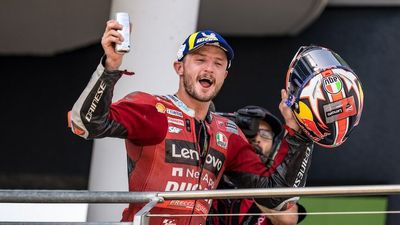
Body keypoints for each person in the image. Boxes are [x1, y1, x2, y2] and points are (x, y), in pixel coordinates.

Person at [68, 20, 314, 225]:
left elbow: (275, 197)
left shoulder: (229, 134)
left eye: (218, 64)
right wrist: (110, 66)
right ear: (179, 68)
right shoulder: (153, 109)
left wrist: (299, 132)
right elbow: (86, 124)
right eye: (200, 60)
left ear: (224, 76)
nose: (209, 68)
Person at [209, 105, 308, 225]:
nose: (257, 139)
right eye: (250, 132)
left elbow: (288, 218)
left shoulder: (275, 185)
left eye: (265, 134)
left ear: (274, 146)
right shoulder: (211, 170)